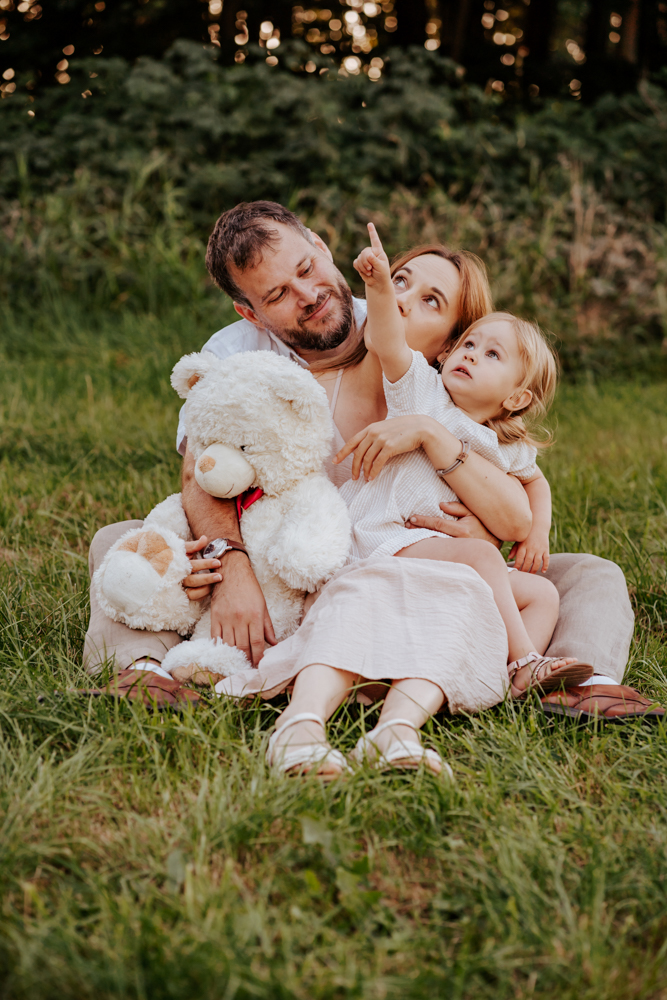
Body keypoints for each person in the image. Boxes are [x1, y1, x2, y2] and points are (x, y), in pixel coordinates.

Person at [84, 201, 654, 726]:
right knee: (120, 540)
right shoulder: (236, 353)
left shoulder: (410, 329)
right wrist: (229, 561)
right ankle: (140, 671)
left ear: (321, 245)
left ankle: (574, 682)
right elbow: (199, 475)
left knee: (590, 575)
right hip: (291, 557)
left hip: (421, 547)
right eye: (278, 294)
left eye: (306, 268)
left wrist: (475, 516)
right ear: (250, 311)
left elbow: (512, 474)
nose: (307, 294)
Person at [333, 222, 592, 694]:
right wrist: (377, 286)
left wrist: (537, 532)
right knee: (480, 556)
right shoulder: (423, 394)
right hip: (389, 541)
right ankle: (526, 660)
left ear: (515, 399)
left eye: (491, 355)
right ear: (449, 350)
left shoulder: (506, 442)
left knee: (543, 594)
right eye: (470, 345)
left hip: (450, 556)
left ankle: (500, 678)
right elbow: (390, 341)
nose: (472, 356)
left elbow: (535, 482)